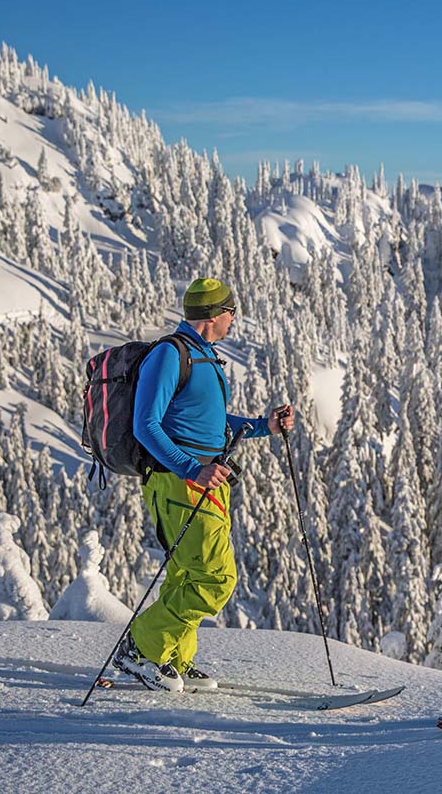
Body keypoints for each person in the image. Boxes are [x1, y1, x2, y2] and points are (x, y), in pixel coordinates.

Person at [113, 277, 295, 692]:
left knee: (187, 573)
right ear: (217, 315)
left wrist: (263, 427)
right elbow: (145, 424)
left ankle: (173, 657)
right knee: (215, 577)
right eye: (232, 312)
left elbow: (211, 425)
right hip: (180, 482)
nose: (234, 319)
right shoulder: (170, 354)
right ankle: (142, 649)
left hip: (204, 479)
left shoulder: (203, 357)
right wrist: (190, 469)